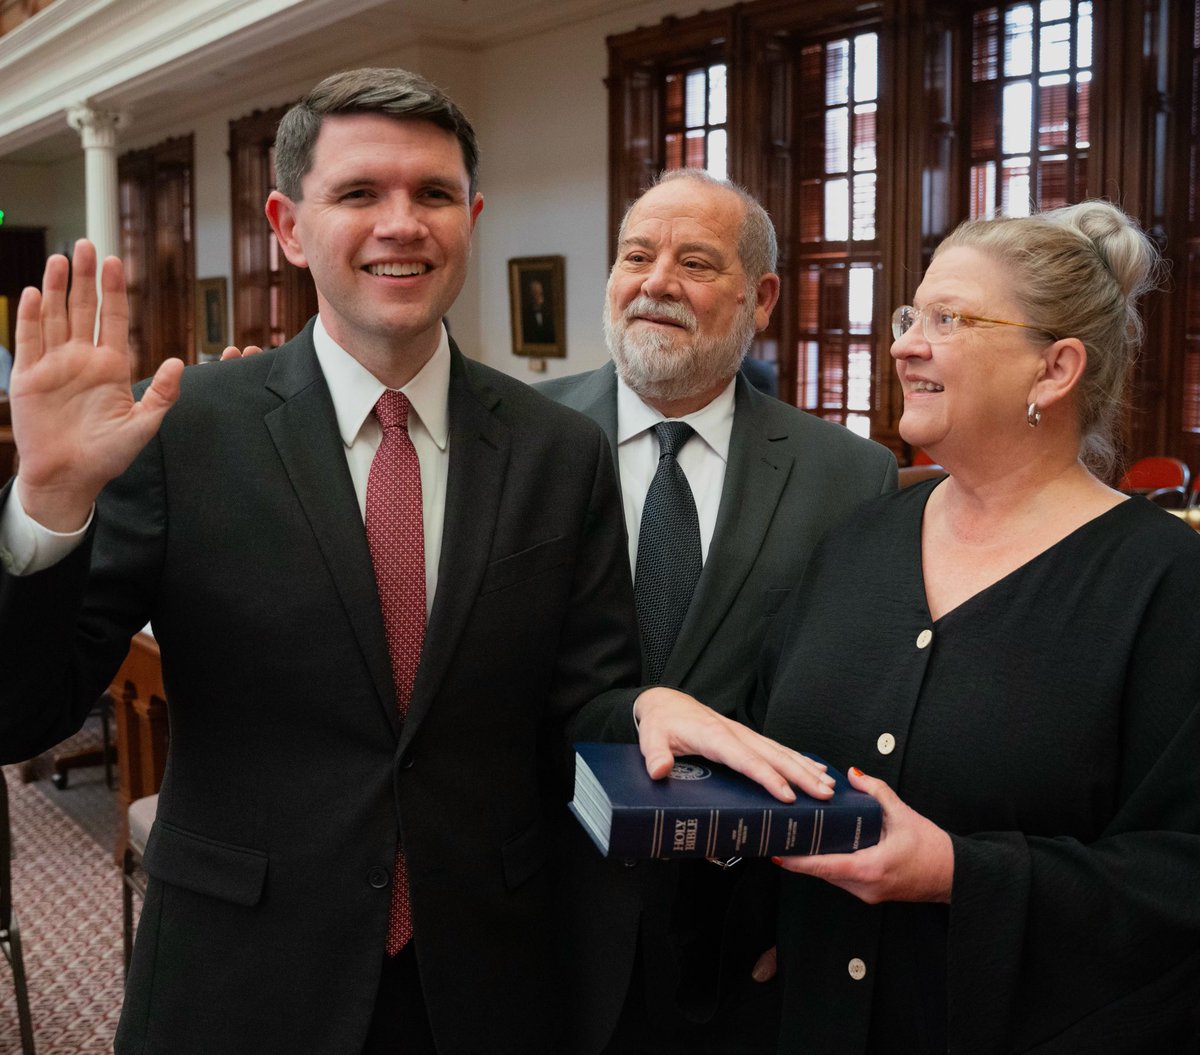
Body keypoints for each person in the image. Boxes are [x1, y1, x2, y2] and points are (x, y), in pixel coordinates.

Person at [0, 67, 653, 1054]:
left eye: (433, 194)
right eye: (358, 193)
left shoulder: (558, 448)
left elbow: (587, 699)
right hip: (242, 973)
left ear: (470, 216)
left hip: (486, 974)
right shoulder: (180, 434)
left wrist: (653, 711)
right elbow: (21, 711)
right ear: (290, 225)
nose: (403, 223)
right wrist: (49, 502)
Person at [748, 200, 1200, 1052]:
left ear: (1055, 369)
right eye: (910, 315)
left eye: (946, 318)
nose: (904, 343)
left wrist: (960, 873)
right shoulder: (854, 545)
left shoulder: (1164, 584)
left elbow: (1182, 874)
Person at [539, 168, 897, 1054]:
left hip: (743, 929)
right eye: (635, 255)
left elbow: (853, 703)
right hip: (535, 905)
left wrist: (802, 909)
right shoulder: (513, 436)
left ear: (761, 296)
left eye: (695, 261)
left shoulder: (849, 477)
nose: (656, 281)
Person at [521, 276, 556, 344]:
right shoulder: (525, 313)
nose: (537, 295)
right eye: (534, 293)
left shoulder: (549, 311)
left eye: (539, 292)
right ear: (530, 294)